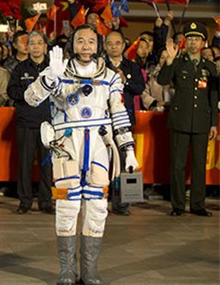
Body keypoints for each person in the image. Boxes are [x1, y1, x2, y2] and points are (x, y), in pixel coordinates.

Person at [24, 24, 139, 284]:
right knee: (67, 206)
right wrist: (49, 78)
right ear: (72, 45)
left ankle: (90, 271)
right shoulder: (57, 71)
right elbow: (30, 98)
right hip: (66, 147)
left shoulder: (110, 76)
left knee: (97, 207)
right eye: (80, 41)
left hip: (98, 144)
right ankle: (66, 270)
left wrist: (128, 149)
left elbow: (119, 113)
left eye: (90, 41)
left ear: (98, 45)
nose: (86, 46)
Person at [157, 22, 218, 217]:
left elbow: (213, 96)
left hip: (201, 120)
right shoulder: (177, 61)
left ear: (203, 42)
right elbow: (162, 80)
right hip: (180, 119)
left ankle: (198, 205)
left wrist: (214, 123)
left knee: (199, 165)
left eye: (197, 39)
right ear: (185, 41)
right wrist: (169, 61)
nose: (193, 42)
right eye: (190, 38)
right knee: (178, 164)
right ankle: (178, 205)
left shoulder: (209, 66)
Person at [7, 31, 52, 214]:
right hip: (26, 121)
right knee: (24, 164)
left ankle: (46, 202)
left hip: (48, 124)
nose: (35, 46)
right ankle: (24, 202)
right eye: (31, 43)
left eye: (39, 43)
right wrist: (27, 95)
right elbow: (11, 91)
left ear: (45, 46)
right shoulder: (20, 68)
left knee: (47, 165)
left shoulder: (52, 68)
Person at [104, 30, 145, 216]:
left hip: (123, 121)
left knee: (123, 162)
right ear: (105, 46)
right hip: (102, 120)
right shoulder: (99, 65)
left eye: (117, 43)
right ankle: (99, 200)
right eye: (110, 43)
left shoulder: (132, 67)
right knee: (102, 162)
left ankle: (121, 204)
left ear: (123, 45)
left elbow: (139, 88)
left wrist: (124, 82)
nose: (114, 46)